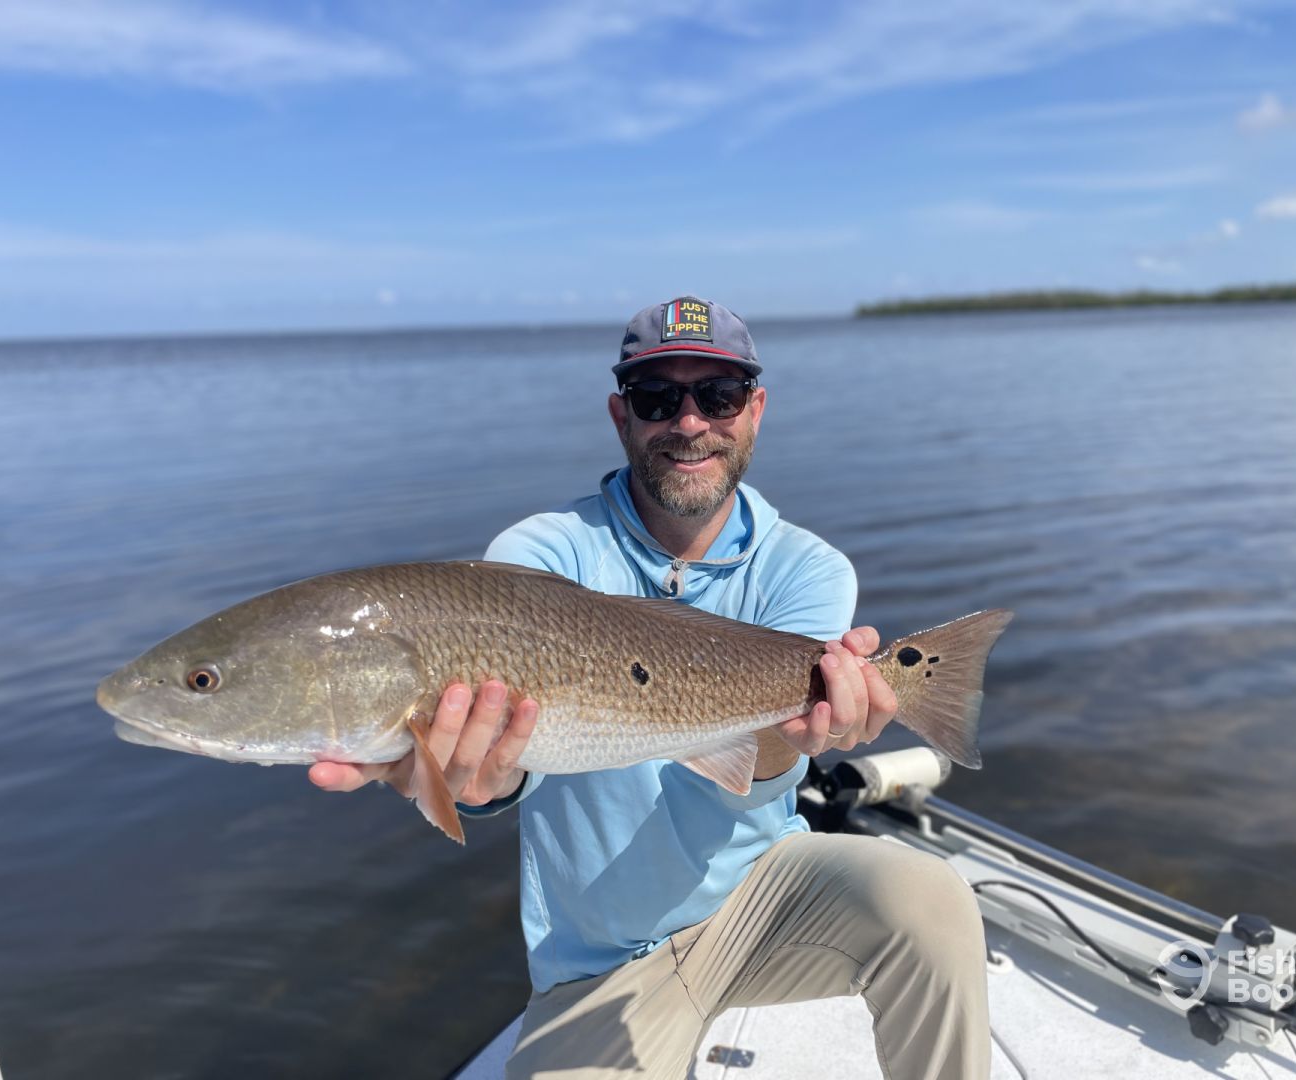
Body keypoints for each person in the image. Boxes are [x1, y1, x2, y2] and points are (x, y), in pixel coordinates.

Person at [309, 297, 991, 1079]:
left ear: (755, 410)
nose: (690, 422)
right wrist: (478, 783)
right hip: (602, 958)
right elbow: (512, 757)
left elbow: (759, 764)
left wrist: (800, 738)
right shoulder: (538, 555)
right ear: (621, 415)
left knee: (929, 900)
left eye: (720, 395)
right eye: (657, 397)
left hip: (764, 899)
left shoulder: (809, 569)